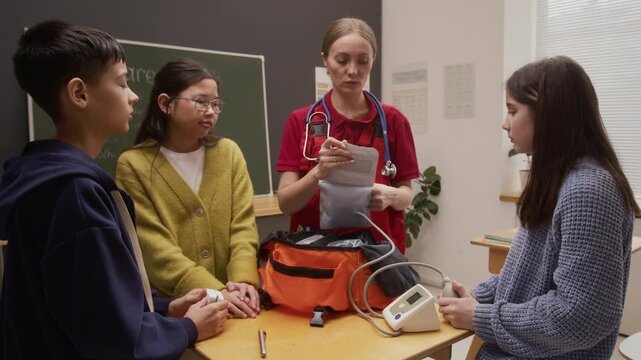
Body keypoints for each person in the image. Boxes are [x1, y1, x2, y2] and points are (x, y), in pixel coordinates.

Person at [0, 21, 229, 359]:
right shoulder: (73, 195)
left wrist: (163, 307)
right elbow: (115, 341)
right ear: (79, 94)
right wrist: (189, 327)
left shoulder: (51, 181)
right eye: (122, 83)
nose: (134, 95)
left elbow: (92, 302)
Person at [438, 56, 640, 359]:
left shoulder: (589, 190)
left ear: (548, 115)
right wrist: (476, 298)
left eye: (512, 110)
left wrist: (481, 316)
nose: (505, 123)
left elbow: (578, 318)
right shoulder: (558, 180)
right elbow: (527, 275)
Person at [116, 59, 260, 319]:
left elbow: (243, 227)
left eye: (216, 104)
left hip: (238, 301)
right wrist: (215, 293)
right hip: (177, 309)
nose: (210, 111)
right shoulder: (134, 165)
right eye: (201, 101)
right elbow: (154, 247)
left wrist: (243, 281)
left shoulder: (228, 153)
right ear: (165, 104)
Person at [276, 17, 420, 253]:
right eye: (342, 60)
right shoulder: (301, 121)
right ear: (325, 60)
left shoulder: (393, 121)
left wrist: (391, 195)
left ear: (372, 61)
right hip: (317, 255)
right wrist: (319, 173)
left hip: (377, 256)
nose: (352, 71)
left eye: (363, 61)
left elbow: (406, 195)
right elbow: (286, 204)